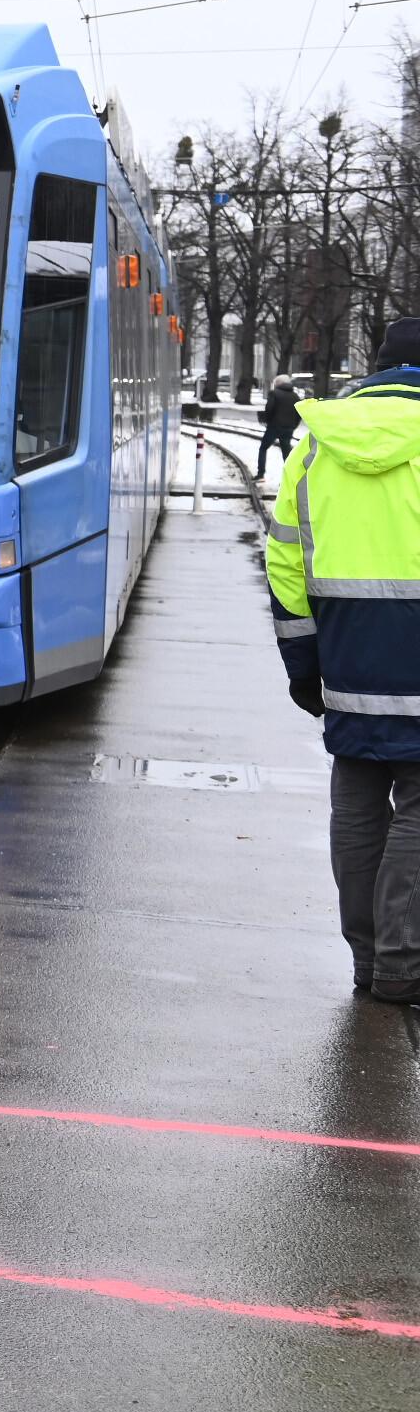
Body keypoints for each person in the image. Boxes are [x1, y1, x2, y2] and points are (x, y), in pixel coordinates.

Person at [267, 317, 420, 1003]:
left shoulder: (317, 446)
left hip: (349, 659)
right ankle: (402, 965)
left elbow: (285, 561)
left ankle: (367, 960)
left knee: (358, 804)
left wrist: (304, 664)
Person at [260, 373, 302, 481]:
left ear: (278, 383)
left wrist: (267, 421)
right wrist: (293, 426)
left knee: (263, 448)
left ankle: (261, 473)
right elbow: (299, 414)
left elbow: (269, 409)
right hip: (288, 428)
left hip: (274, 427)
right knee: (286, 453)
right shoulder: (295, 396)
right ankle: (291, 477)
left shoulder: (274, 394)